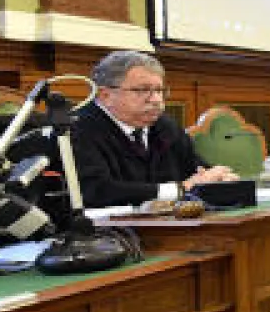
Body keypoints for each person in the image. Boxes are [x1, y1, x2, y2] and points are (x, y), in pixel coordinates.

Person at [72, 50, 238, 208]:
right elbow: (96, 191)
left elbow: (195, 169)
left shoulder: (164, 126)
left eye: (160, 91)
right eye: (143, 90)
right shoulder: (77, 128)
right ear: (105, 95)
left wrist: (218, 179)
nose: (156, 100)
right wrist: (180, 189)